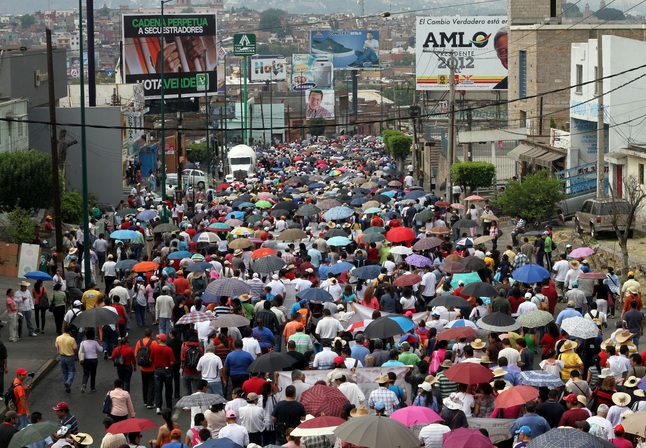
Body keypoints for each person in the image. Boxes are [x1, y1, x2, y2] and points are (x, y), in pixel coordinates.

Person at [151, 333, 175, 414]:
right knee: (168, 389)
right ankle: (169, 406)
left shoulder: (154, 348)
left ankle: (158, 407)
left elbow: (151, 359)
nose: (157, 340)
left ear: (161, 340)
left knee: (158, 389)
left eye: (158, 338)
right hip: (167, 370)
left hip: (157, 370)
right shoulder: (169, 349)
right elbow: (172, 362)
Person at [135, 328, 158, 409]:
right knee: (151, 384)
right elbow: (156, 354)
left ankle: (145, 401)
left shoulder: (139, 342)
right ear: (151, 334)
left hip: (142, 367)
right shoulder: (154, 342)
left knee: (144, 384)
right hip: (151, 367)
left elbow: (136, 354)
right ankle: (150, 402)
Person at [79, 328, 103, 393]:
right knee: (93, 374)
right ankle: (92, 387)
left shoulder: (83, 343)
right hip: (94, 360)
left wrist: (80, 361)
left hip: (86, 360)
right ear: (93, 335)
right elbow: (101, 350)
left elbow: (80, 352)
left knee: (85, 374)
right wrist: (99, 342)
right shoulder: (95, 342)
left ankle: (84, 383)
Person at [55, 325, 78, 394]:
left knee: (65, 372)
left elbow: (56, 347)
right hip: (70, 357)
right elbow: (75, 349)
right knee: (71, 371)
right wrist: (76, 356)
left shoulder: (58, 338)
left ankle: (66, 386)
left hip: (62, 357)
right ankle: (68, 382)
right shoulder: (71, 339)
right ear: (70, 331)